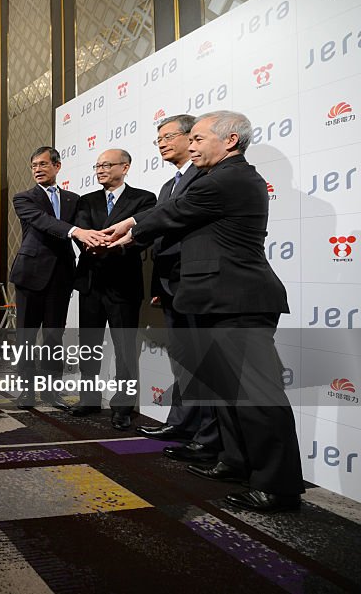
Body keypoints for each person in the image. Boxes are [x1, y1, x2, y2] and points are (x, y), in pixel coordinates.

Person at [107, 110, 304, 513]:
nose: (190, 145)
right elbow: (172, 211)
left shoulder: (229, 178)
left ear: (229, 141)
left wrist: (126, 230)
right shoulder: (216, 178)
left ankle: (279, 486)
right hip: (217, 301)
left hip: (240, 301)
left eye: (197, 138)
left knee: (256, 397)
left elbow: (171, 212)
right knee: (227, 395)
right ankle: (235, 461)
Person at [135, 115, 221, 463]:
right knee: (184, 362)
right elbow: (162, 240)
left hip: (199, 284)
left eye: (169, 136)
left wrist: (129, 230)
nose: (162, 144)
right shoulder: (168, 187)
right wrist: (157, 284)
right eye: (158, 140)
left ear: (191, 138)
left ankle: (208, 436)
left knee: (205, 364)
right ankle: (181, 423)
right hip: (172, 284)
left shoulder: (208, 177)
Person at [9, 146, 106, 408]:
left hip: (61, 276)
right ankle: (27, 391)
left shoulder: (75, 199)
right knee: (26, 337)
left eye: (42, 164)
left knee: (54, 336)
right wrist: (76, 231)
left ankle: (51, 392)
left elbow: (85, 230)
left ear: (57, 166)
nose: (37, 170)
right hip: (30, 274)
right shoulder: (23, 198)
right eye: (34, 166)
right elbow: (43, 222)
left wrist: (97, 239)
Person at [70, 149, 156, 429]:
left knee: (125, 349)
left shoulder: (144, 199)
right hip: (91, 282)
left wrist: (108, 243)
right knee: (89, 347)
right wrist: (99, 241)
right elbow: (83, 235)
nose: (100, 170)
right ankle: (89, 399)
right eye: (97, 166)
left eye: (106, 165)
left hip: (124, 284)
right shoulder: (86, 200)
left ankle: (123, 406)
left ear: (125, 167)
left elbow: (141, 237)